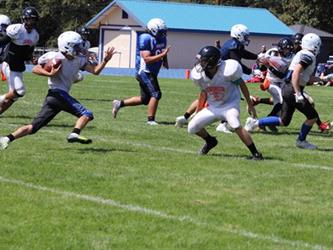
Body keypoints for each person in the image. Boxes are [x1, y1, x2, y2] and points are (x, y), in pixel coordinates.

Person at [0, 31, 116, 150]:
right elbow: (35, 68)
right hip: (58, 94)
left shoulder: (78, 59)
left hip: (53, 98)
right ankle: (74, 134)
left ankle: (6, 139)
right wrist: (49, 73)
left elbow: (95, 71)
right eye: (76, 46)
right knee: (86, 114)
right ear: (67, 46)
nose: (79, 49)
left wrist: (105, 60)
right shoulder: (55, 57)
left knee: (33, 128)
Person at [245, 33, 322, 149]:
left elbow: (304, 76)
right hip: (292, 89)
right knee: (312, 116)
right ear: (314, 45)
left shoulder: (301, 54)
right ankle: (301, 141)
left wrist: (322, 79)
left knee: (284, 120)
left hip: (286, 87)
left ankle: (254, 123)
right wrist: (298, 93)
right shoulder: (308, 55)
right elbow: (295, 73)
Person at [187, 46, 263, 160]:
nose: (200, 63)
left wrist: (250, 104)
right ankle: (210, 141)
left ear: (211, 61)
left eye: (203, 60)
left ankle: (256, 153)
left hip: (230, 105)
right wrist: (199, 110)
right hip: (213, 107)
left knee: (235, 124)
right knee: (192, 127)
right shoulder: (200, 75)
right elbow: (203, 92)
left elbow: (242, 84)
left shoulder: (228, 71)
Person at [112, 18, 170, 125]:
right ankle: (150, 120)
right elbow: (147, 58)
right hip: (144, 71)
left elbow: (162, 51)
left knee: (145, 99)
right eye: (161, 31)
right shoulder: (145, 38)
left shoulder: (161, 39)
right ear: (153, 30)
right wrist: (162, 55)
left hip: (152, 72)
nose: (163, 34)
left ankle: (119, 103)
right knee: (156, 94)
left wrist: (165, 60)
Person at [0, 7, 39, 115]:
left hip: (18, 66)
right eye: (29, 19)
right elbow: (2, 42)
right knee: (20, 91)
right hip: (9, 63)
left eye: (33, 19)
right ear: (24, 19)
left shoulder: (35, 35)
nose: (31, 22)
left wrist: (32, 58)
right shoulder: (17, 29)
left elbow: (28, 53)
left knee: (15, 95)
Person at [251, 37, 295, 132]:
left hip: (281, 81)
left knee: (280, 106)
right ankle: (265, 121)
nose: (288, 51)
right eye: (286, 49)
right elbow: (261, 66)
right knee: (282, 102)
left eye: (289, 49)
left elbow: (283, 75)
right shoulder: (271, 54)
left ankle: (269, 123)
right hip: (271, 82)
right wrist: (262, 64)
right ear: (280, 48)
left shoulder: (291, 58)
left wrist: (269, 66)